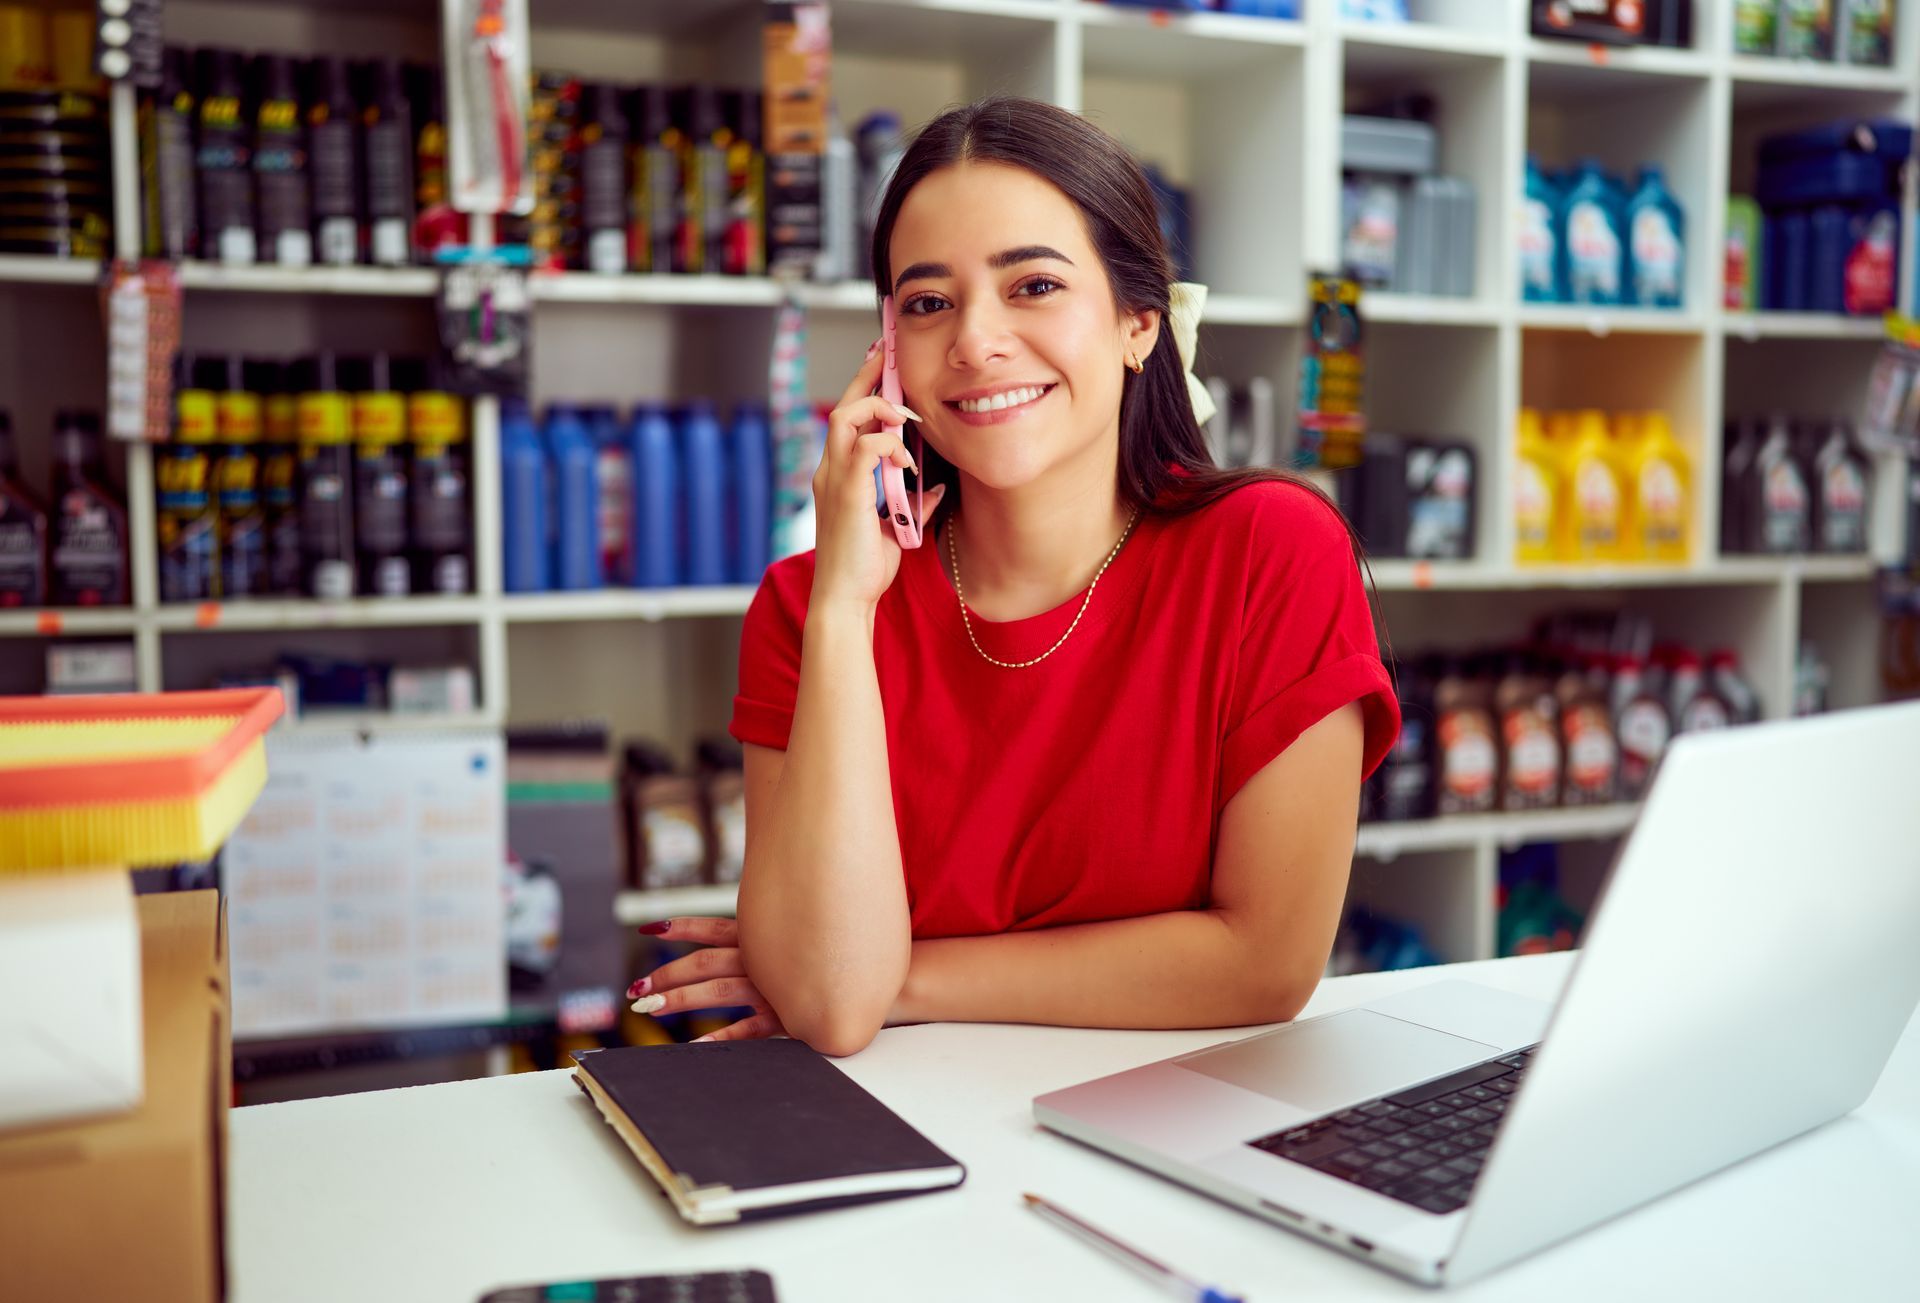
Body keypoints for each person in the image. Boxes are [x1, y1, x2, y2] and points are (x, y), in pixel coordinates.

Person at [627, 97, 1401, 1056]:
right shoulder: (808, 606)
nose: (974, 341)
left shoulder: (1271, 552)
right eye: (926, 301)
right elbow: (830, 1004)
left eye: (1032, 285)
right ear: (886, 356)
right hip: (898, 1149)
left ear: (1137, 322)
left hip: (1166, 1137)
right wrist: (842, 606)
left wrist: (901, 974)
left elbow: (1266, 963)